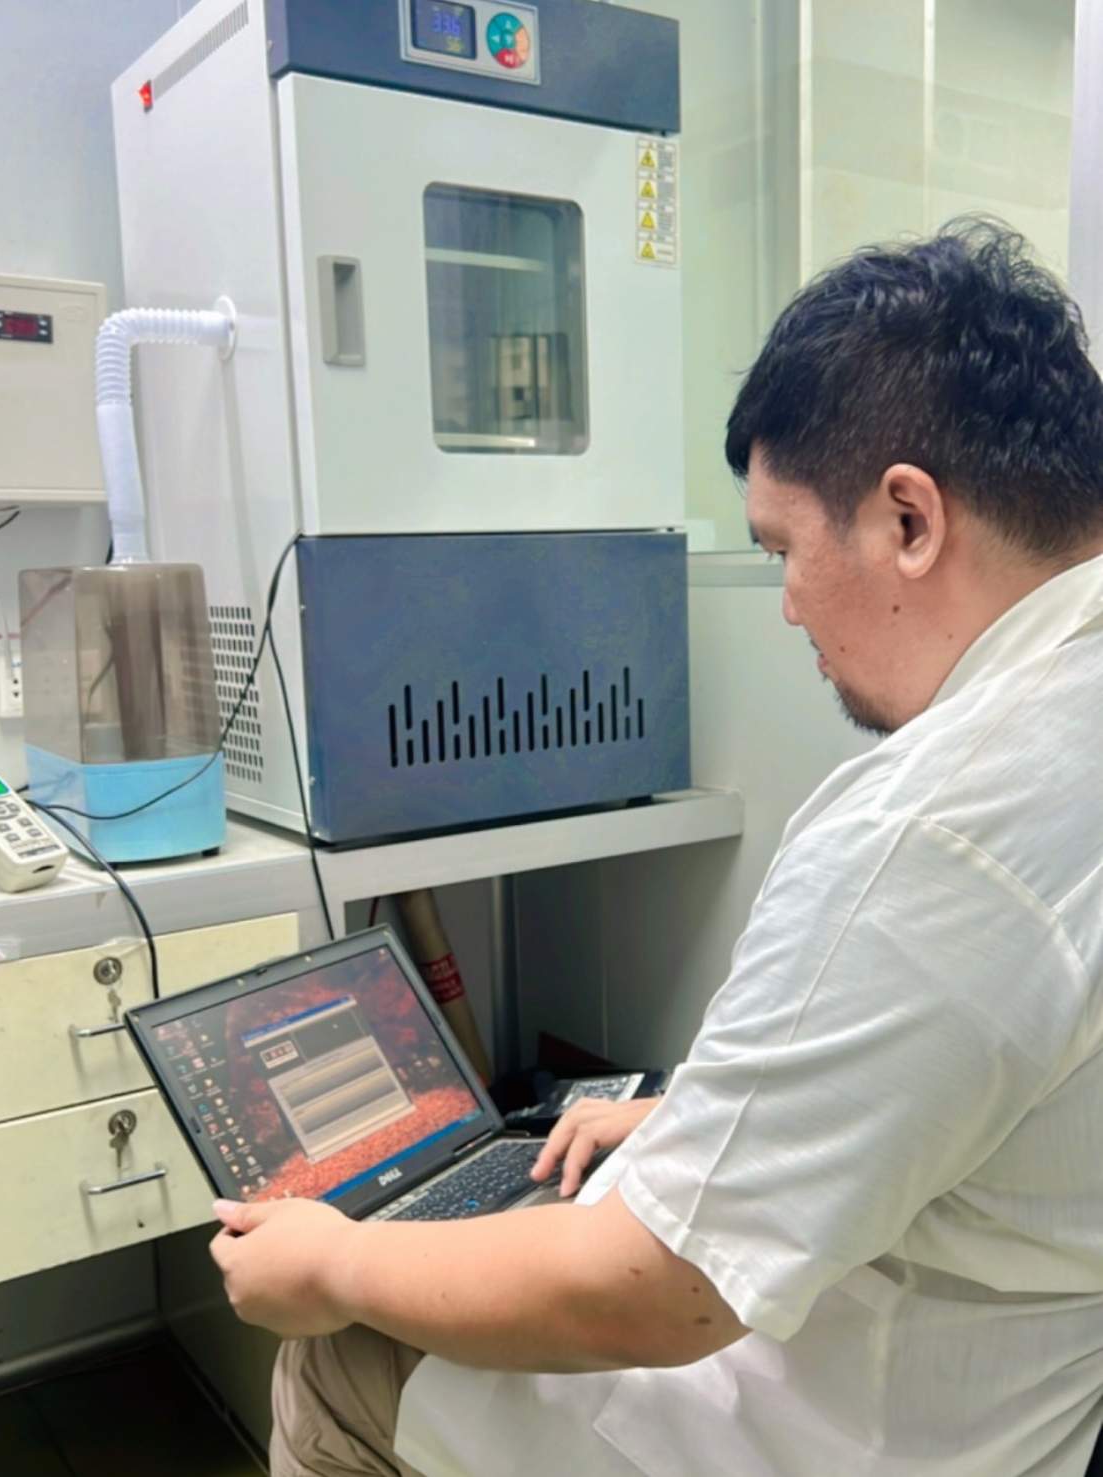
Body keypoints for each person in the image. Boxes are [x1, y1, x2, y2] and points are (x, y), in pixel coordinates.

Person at [210, 221, 1103, 1476]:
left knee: (343, 1356)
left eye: (784, 549)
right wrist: (707, 1119)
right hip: (1030, 1392)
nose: (785, 604)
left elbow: (654, 1292)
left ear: (908, 517)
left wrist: (335, 1264)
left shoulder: (930, 836)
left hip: (858, 1431)